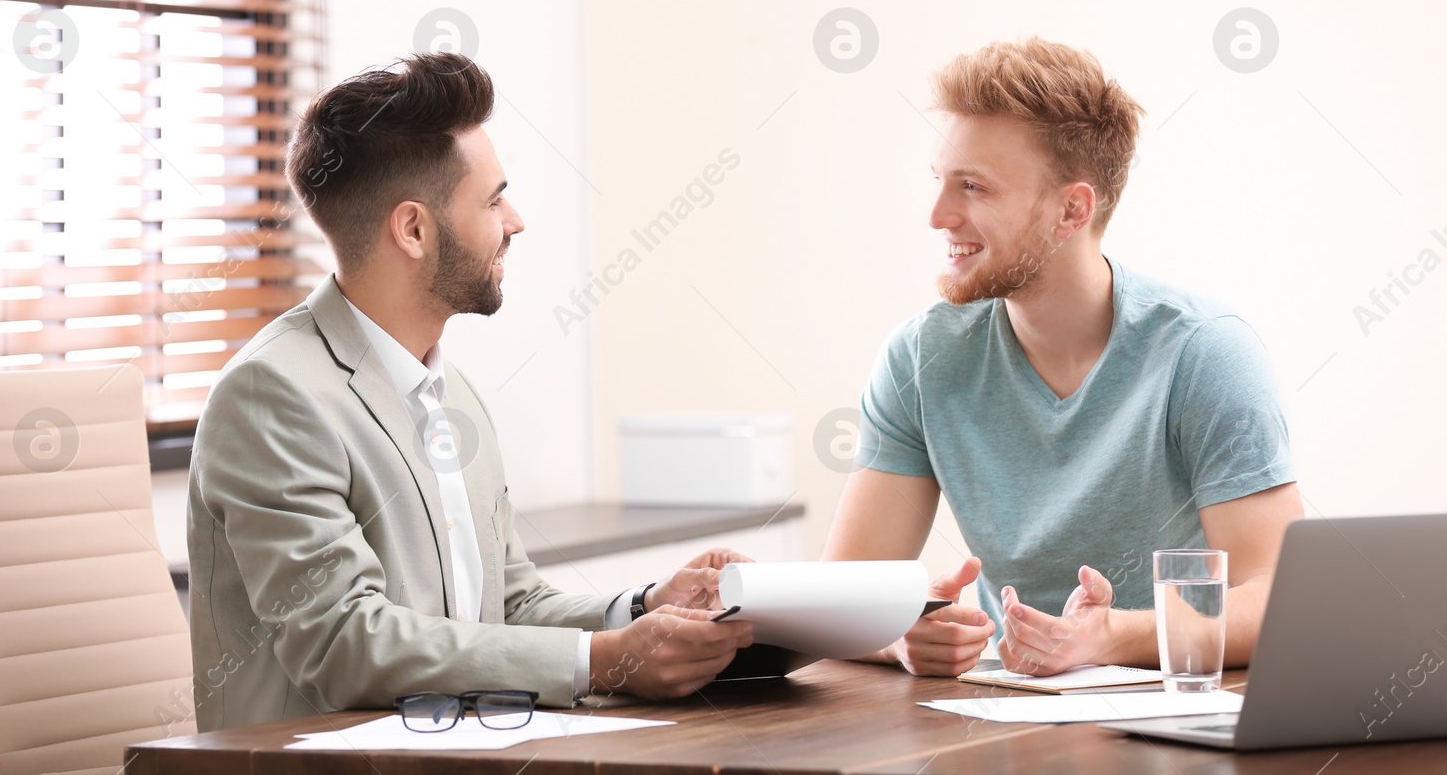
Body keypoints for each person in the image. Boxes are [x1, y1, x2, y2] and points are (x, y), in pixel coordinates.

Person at [187, 52, 752, 730]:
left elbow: (507, 606)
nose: (515, 220)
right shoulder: (271, 396)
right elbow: (343, 643)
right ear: (415, 228)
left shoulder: (447, 392)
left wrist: (646, 605)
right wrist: (603, 659)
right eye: (493, 199)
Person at [823, 36, 1302, 677]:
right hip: (1005, 725)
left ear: (1071, 209)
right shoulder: (921, 356)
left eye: (973, 188)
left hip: (1174, 727)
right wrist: (900, 636)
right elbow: (842, 598)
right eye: (941, 182)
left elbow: (1282, 598)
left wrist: (1114, 637)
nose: (938, 215)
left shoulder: (1204, 354)